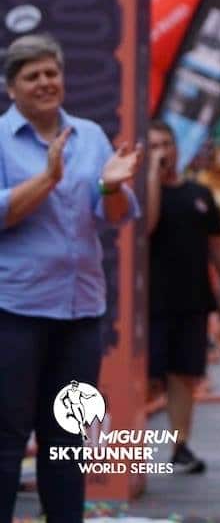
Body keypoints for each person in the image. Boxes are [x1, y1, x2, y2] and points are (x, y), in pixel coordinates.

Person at [0, 33, 141, 523]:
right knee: (8, 435)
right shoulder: (1, 139)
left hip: (81, 312)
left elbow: (115, 216)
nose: (45, 82)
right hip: (15, 312)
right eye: (32, 76)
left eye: (52, 73)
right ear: (11, 88)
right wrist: (47, 179)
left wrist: (112, 187)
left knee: (66, 440)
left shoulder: (90, 136)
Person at [144, 119, 220, 474]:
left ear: (177, 148)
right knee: (148, 376)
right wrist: (151, 175)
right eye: (153, 146)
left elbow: (219, 246)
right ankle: (130, 448)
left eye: (166, 144)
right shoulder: (139, 192)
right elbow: (147, 225)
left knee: (184, 374)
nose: (162, 152)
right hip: (150, 300)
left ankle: (180, 445)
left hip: (192, 297)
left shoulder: (199, 195)